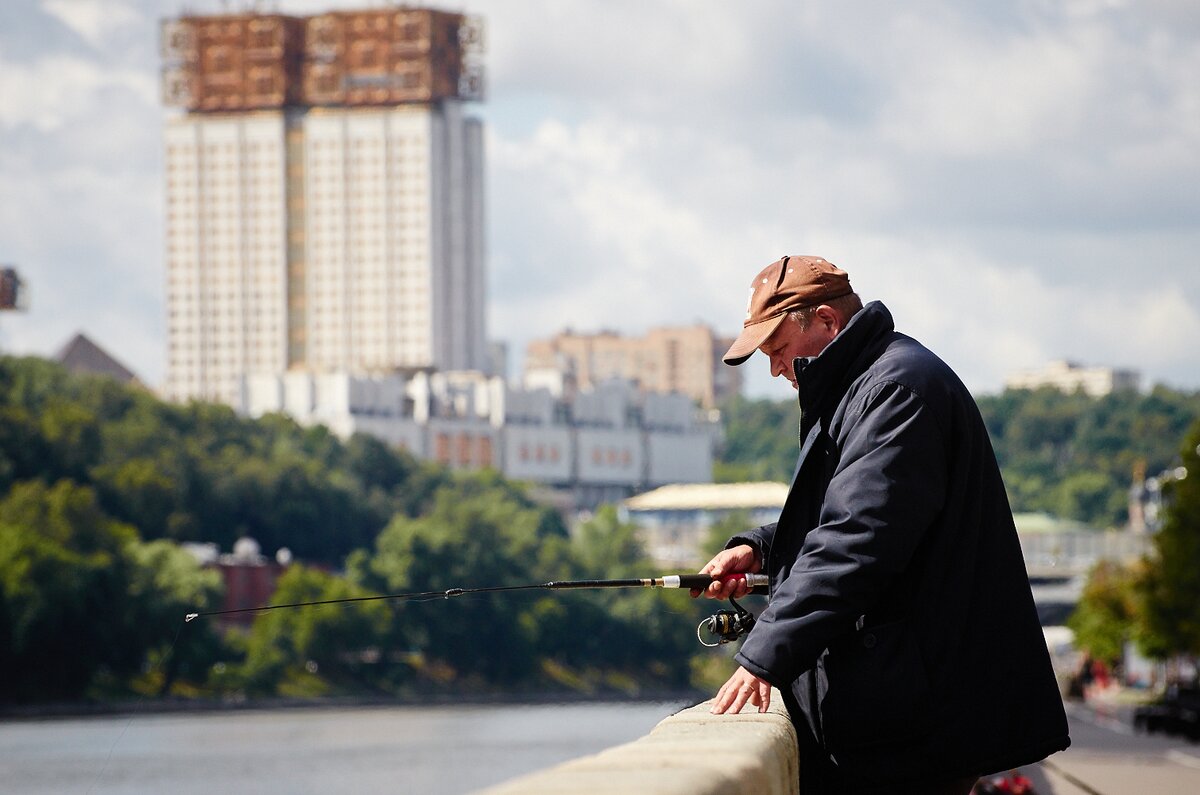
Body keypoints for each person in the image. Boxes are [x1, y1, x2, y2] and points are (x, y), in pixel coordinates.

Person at [694, 256, 1070, 794]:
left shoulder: (894, 391)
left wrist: (762, 658)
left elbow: (855, 544)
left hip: (916, 722)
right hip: (906, 707)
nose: (775, 369)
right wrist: (760, 550)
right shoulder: (872, 384)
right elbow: (849, 520)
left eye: (777, 349)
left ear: (825, 321)